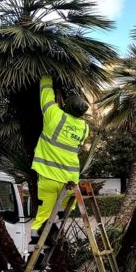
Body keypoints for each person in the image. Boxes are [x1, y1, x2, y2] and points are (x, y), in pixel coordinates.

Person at [30, 76, 89, 245]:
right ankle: (56, 228)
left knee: (42, 216)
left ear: (66, 106)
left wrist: (46, 76)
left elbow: (46, 95)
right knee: (62, 210)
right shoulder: (84, 128)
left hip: (49, 177)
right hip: (70, 181)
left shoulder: (55, 116)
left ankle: (36, 248)